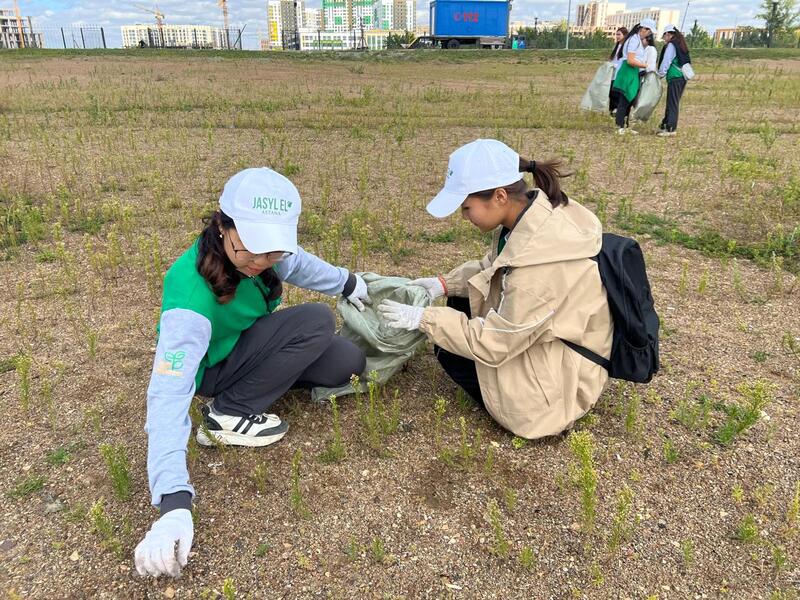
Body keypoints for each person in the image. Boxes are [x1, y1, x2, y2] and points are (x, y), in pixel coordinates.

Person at [134, 167, 370, 578]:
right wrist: (173, 503)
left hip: (245, 344)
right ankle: (229, 411)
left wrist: (348, 283)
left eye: (273, 252)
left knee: (346, 363)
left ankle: (258, 383)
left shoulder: (267, 256)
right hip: (215, 369)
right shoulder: (189, 300)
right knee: (316, 320)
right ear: (222, 226)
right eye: (251, 250)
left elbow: (300, 265)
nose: (262, 262)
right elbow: (167, 395)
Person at [378, 139, 612, 442]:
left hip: (559, 386)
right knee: (458, 306)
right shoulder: (530, 216)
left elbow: (497, 342)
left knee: (450, 352)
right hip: (556, 345)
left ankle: (531, 405)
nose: (464, 217)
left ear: (500, 196)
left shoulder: (538, 272)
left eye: (467, 208)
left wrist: (424, 319)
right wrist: (444, 284)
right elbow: (494, 267)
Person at [611, 19, 657, 134]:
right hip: (628, 71)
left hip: (632, 71)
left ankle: (625, 126)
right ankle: (620, 126)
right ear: (644, 29)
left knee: (629, 99)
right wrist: (646, 65)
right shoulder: (634, 40)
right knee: (624, 100)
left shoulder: (636, 40)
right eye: (649, 31)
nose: (649, 34)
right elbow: (630, 60)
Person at [657, 24, 691, 136]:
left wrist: (659, 75)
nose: (664, 39)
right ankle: (665, 124)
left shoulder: (672, 45)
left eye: (664, 36)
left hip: (675, 77)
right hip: (681, 77)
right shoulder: (680, 44)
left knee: (672, 103)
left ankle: (671, 129)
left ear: (668, 34)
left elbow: (666, 62)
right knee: (672, 102)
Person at [608, 26, 629, 116]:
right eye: (616, 34)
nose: (617, 36)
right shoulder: (616, 46)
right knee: (611, 92)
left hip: (620, 73)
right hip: (613, 72)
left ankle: (617, 110)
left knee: (616, 92)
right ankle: (612, 109)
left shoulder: (626, 47)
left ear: (625, 35)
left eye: (619, 34)